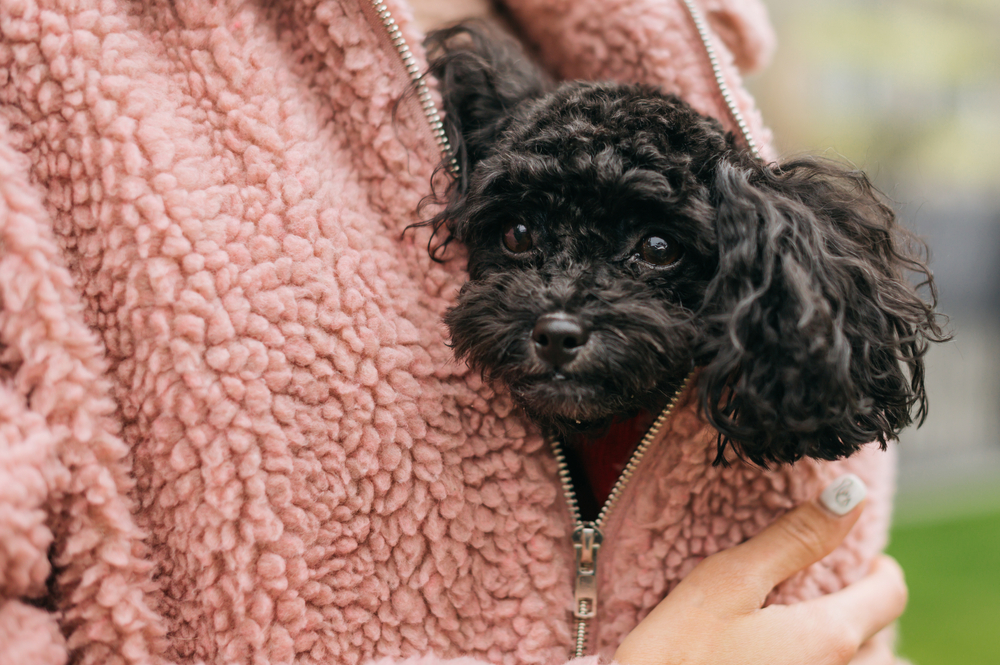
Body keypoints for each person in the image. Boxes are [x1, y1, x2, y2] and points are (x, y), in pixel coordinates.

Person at [0, 0, 906, 663]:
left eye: (655, 250)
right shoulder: (44, 60)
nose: (559, 310)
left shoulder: (687, 40)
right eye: (516, 238)